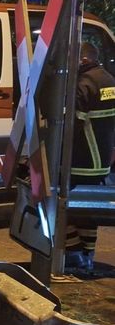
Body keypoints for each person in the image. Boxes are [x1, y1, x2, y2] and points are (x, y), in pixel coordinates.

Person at [65, 43, 115, 272]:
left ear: (83, 59)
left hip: (81, 159)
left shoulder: (82, 84)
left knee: (63, 210)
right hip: (102, 160)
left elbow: (73, 125)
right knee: (88, 214)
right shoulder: (109, 80)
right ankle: (87, 256)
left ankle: (75, 255)